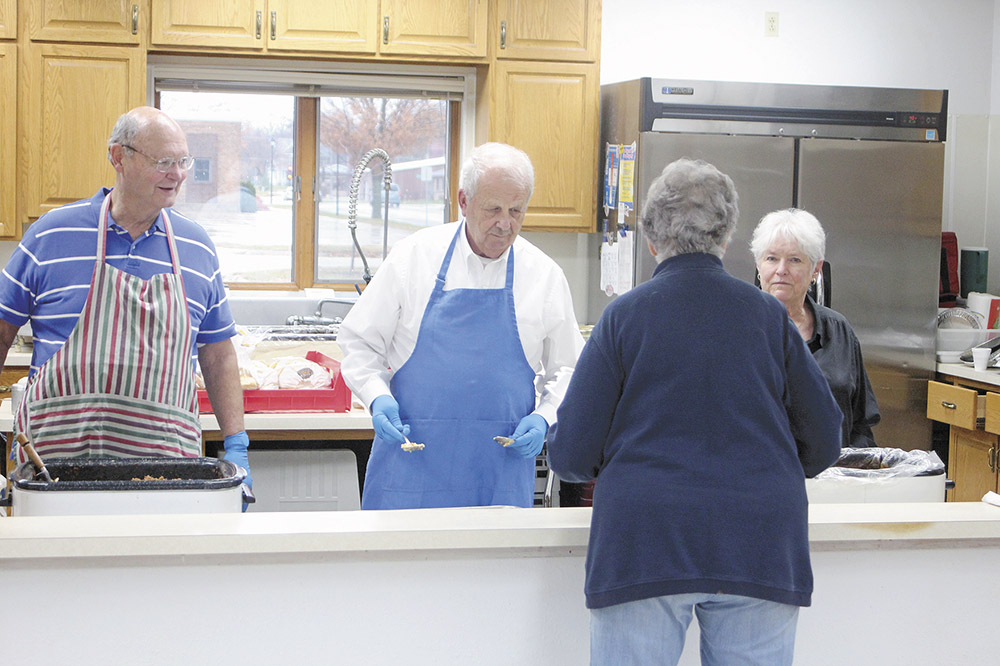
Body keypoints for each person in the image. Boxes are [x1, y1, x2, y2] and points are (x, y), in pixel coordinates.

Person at [547, 158, 842, 665]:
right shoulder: (769, 317)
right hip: (759, 541)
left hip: (644, 540)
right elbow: (825, 440)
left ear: (651, 240)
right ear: (726, 240)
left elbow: (571, 453)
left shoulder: (623, 317)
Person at [0, 106, 251, 491]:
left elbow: (217, 354)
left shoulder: (196, 247)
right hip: (53, 467)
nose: (178, 174)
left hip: (166, 471)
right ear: (119, 157)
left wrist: (236, 443)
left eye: (183, 161)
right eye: (163, 161)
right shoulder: (50, 235)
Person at [338, 142, 584, 509]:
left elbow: (569, 367)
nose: (505, 224)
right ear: (464, 201)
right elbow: (359, 342)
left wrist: (545, 417)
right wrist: (377, 395)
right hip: (410, 472)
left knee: (491, 567)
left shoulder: (544, 275)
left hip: (498, 477)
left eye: (517, 211)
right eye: (493, 209)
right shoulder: (414, 257)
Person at [751, 208, 881, 448]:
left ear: (816, 269)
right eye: (771, 258)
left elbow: (861, 425)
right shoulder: (736, 331)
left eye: (795, 260)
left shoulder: (840, 331)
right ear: (758, 266)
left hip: (833, 478)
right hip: (760, 479)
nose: (781, 270)